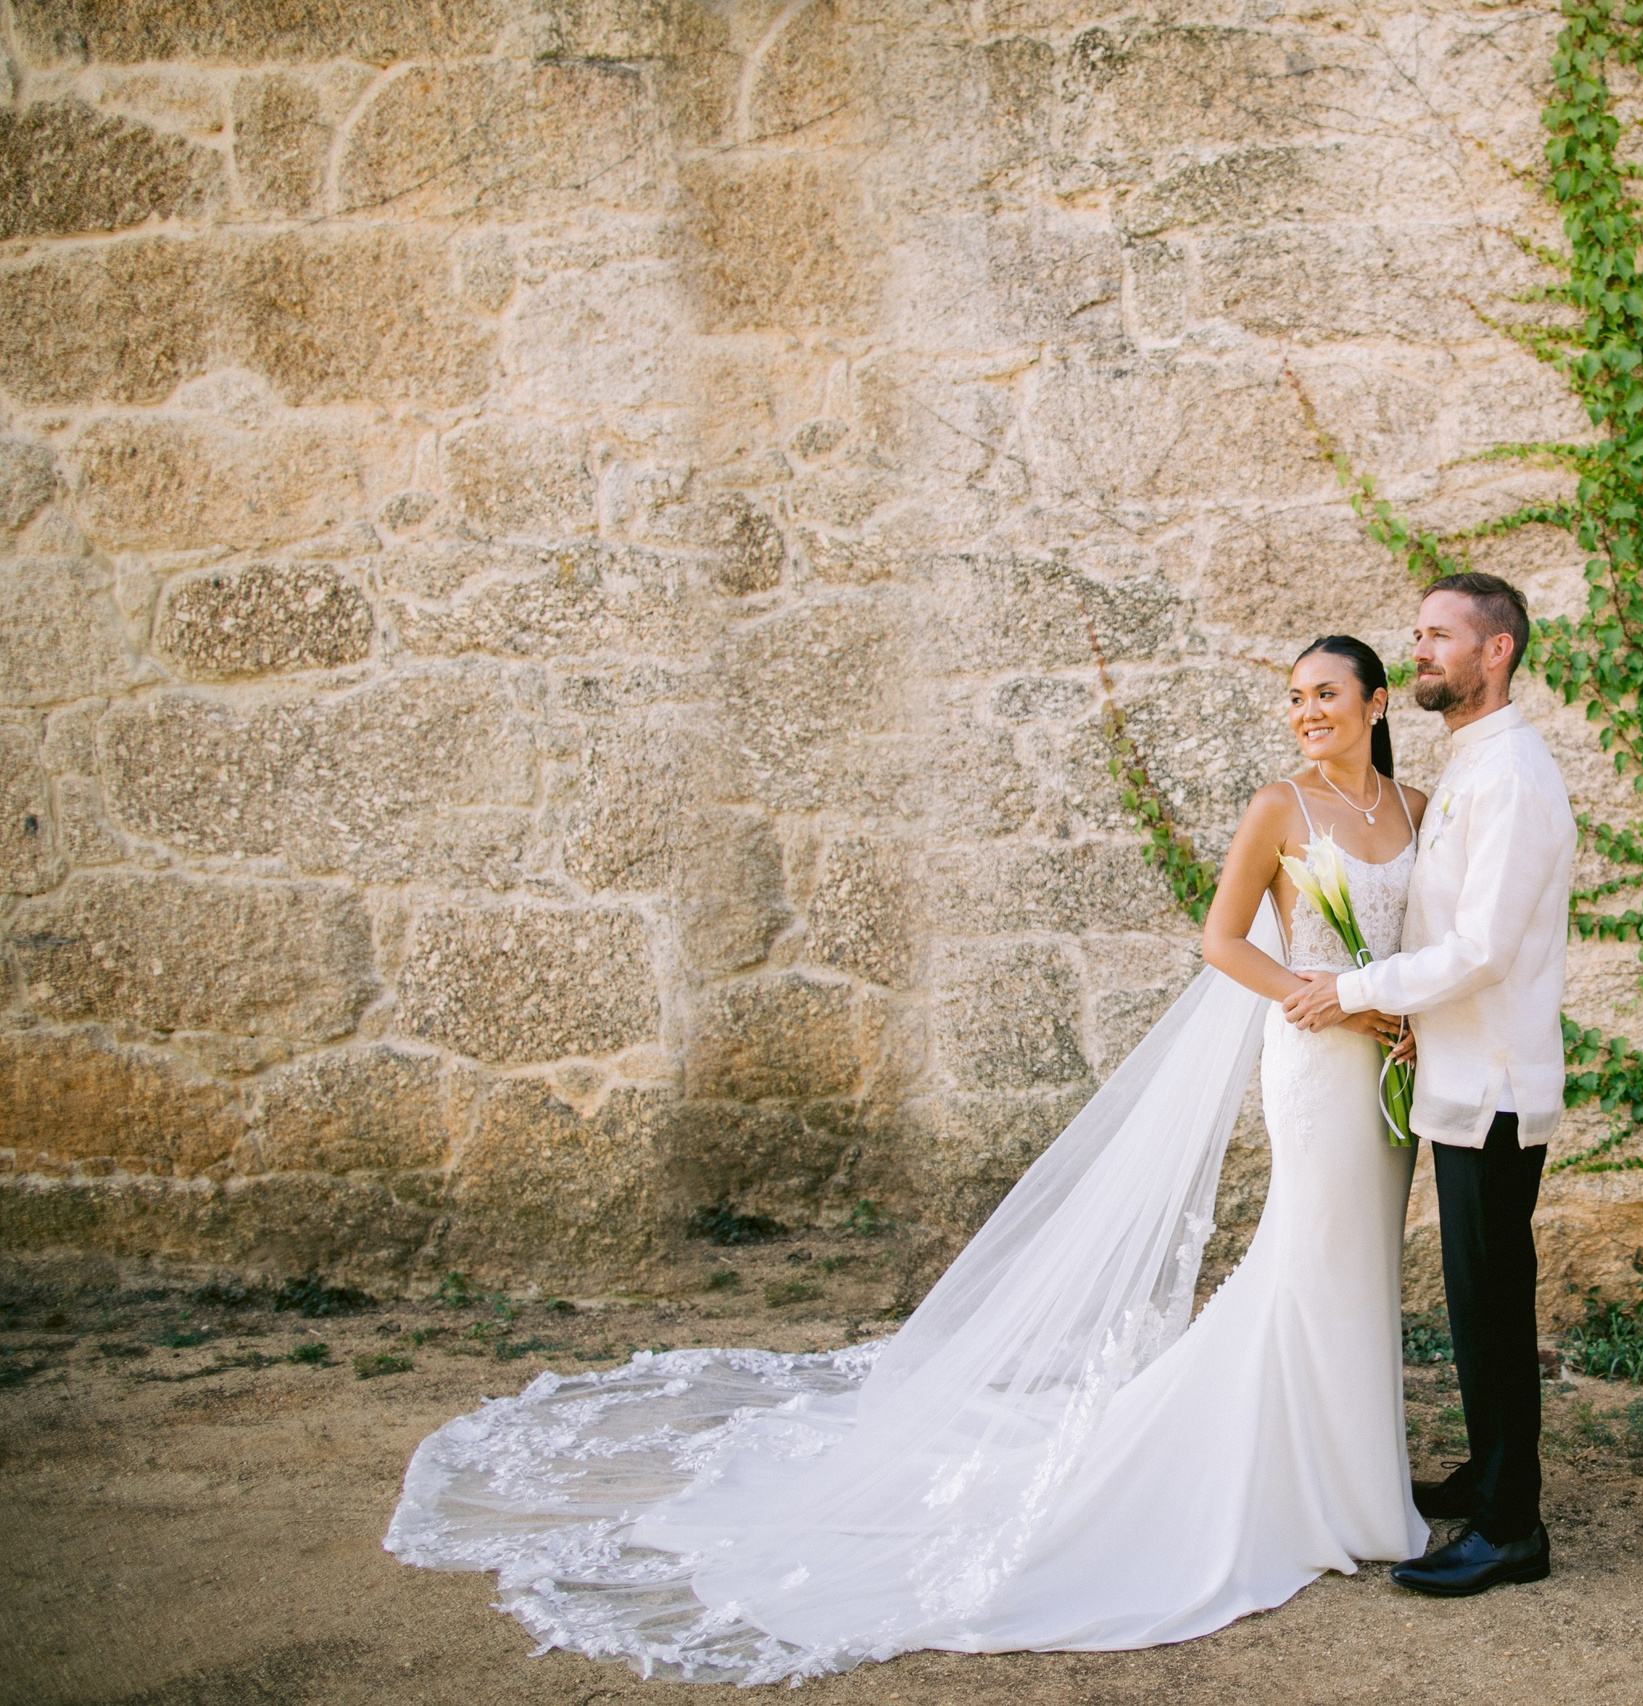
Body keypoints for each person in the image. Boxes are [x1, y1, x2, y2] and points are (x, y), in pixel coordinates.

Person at [385, 634, 1442, 1683]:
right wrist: (1318, 998)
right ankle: (1298, 1487)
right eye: (1294, 697)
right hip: (1311, 1057)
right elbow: (1223, 940)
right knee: (1305, 1258)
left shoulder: (1412, 810)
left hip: (1385, 1066)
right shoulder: (1279, 807)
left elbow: (1426, 940)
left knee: (1359, 1266)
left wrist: (1398, 1013)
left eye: (1326, 694)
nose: (1307, 712)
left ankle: (1355, 1482)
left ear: (1376, 700)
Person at [1281, 571, 1573, 1598]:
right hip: (1457, 1077)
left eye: (1440, 636)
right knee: (1472, 1300)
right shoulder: (1469, 762)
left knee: (1491, 1304)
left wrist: (1355, 986)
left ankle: (1510, 1528)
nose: (1421, 651)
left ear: (1495, 651)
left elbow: (1483, 947)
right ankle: (1487, 1474)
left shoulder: (1512, 776)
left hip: (1492, 1084)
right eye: (1416, 635)